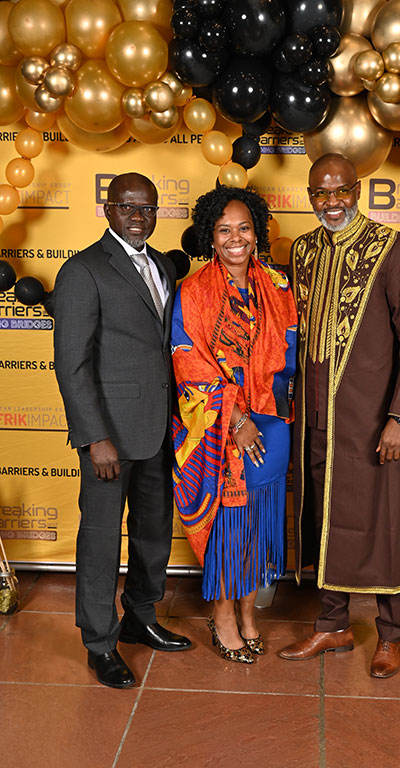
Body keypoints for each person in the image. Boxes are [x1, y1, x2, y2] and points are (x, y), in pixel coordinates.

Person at [279, 153, 400, 677]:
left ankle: (391, 635)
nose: (332, 202)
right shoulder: (303, 251)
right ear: (309, 196)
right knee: (326, 519)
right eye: (320, 193)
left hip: (375, 420)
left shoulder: (393, 248)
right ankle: (333, 625)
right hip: (316, 420)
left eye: (340, 190)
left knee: (388, 521)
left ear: (358, 190)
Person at [53, 172, 191, 689]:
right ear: (108, 209)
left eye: (147, 207)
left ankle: (140, 616)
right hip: (109, 435)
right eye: (127, 206)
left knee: (153, 532)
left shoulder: (162, 266)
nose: (138, 216)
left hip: (158, 427)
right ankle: (99, 643)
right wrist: (94, 437)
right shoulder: (82, 270)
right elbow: (71, 364)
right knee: (101, 539)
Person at [171, 186, 297, 663]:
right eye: (224, 230)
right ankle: (223, 616)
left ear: (257, 232)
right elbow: (189, 361)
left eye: (244, 228)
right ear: (210, 236)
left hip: (274, 421)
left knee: (259, 519)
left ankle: (248, 614)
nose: (235, 238)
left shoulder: (279, 287)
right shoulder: (193, 291)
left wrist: (263, 410)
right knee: (231, 523)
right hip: (225, 424)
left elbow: (292, 349)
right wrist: (237, 417)